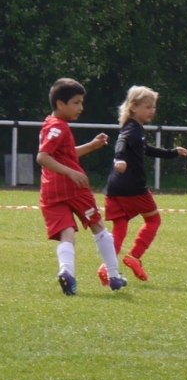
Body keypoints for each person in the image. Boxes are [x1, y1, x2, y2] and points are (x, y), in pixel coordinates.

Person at [36, 78, 127, 295]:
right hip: (73, 188)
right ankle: (114, 276)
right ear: (60, 104)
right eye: (76, 102)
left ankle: (66, 271)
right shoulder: (59, 127)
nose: (81, 107)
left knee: (67, 232)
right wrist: (71, 172)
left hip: (50, 191)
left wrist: (91, 146)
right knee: (98, 226)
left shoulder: (50, 124)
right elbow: (43, 157)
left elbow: (64, 155)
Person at [99, 86, 187, 284]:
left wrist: (172, 152)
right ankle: (134, 256)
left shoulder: (133, 128)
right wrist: (119, 158)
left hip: (114, 188)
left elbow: (146, 149)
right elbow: (121, 143)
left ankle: (107, 267)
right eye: (148, 107)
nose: (152, 111)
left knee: (120, 227)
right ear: (133, 107)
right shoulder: (132, 129)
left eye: (153, 107)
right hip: (133, 188)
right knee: (153, 221)